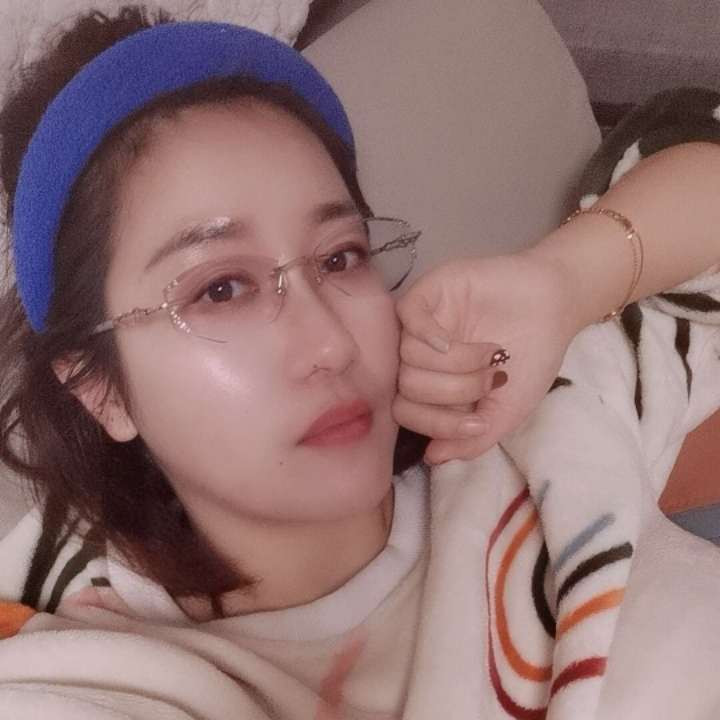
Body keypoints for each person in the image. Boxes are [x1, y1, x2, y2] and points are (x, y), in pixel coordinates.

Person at [2, 5, 720, 719]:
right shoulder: (89, 667)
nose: (332, 344)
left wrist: (566, 280)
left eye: (340, 257)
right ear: (100, 389)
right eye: (221, 289)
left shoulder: (518, 419)